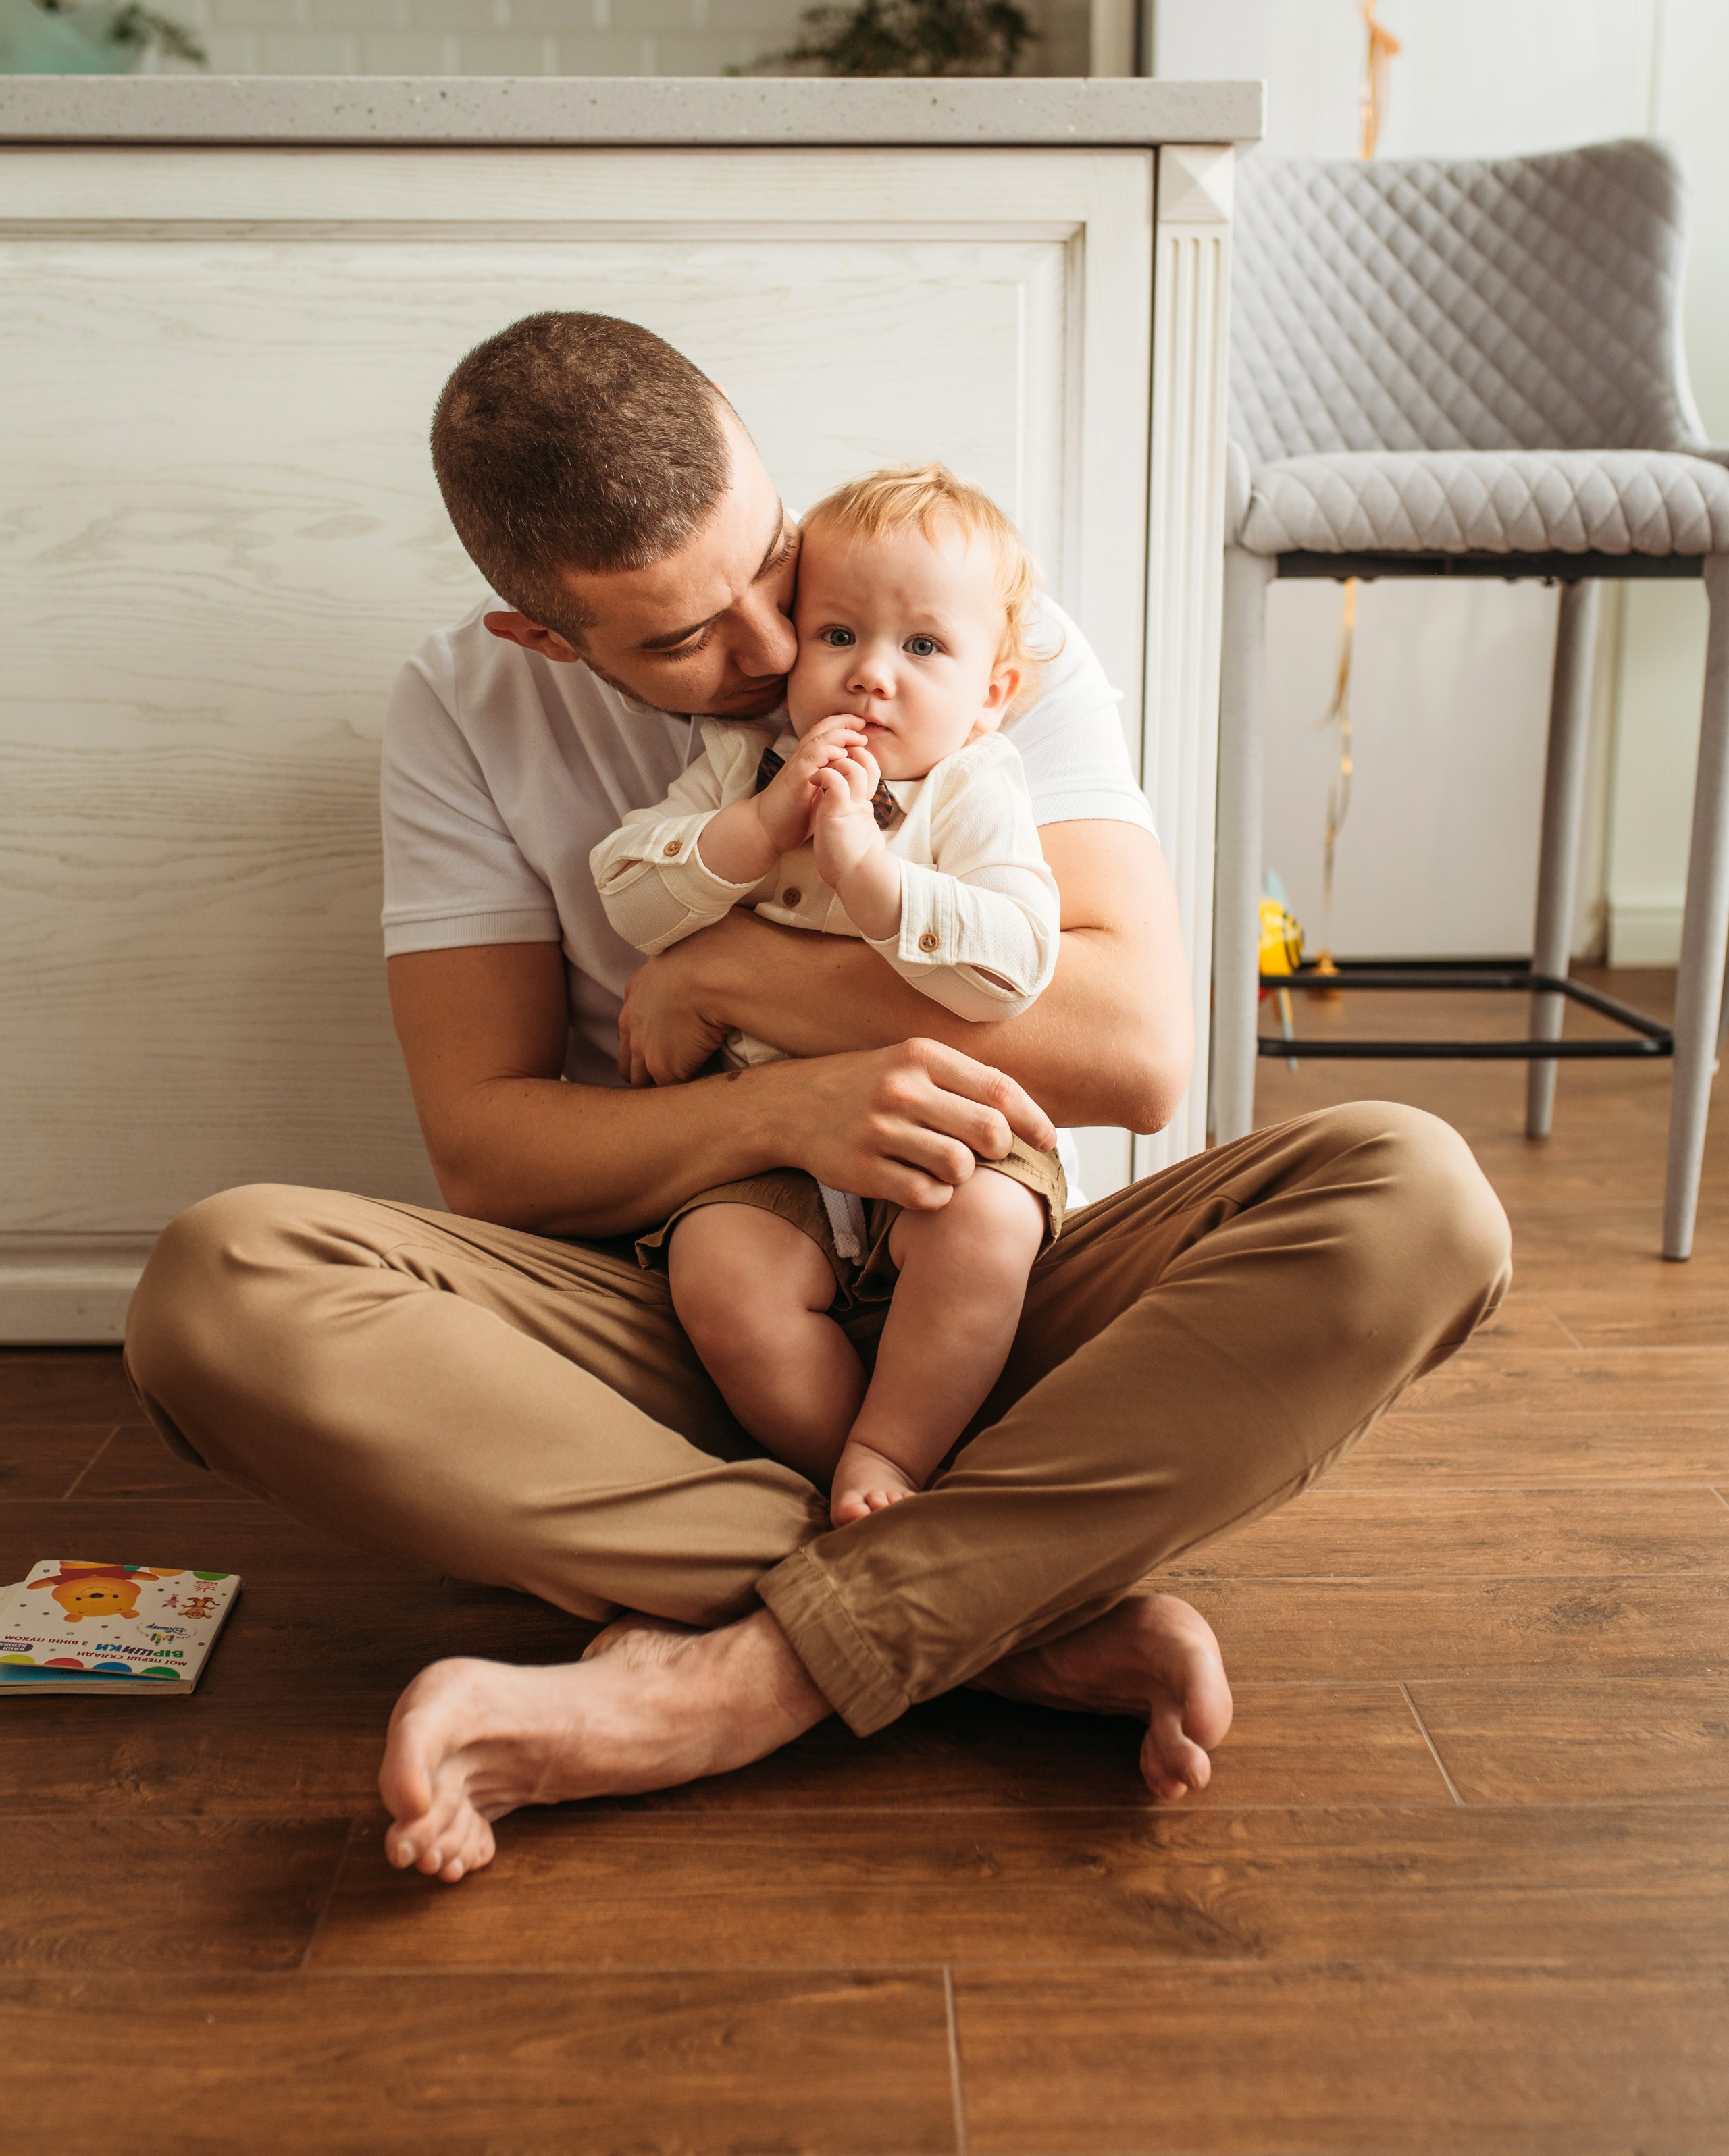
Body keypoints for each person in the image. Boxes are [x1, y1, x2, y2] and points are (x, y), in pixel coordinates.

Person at [122, 310, 1513, 1887]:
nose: (784, 655)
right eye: (680, 642)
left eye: (767, 563)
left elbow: (1131, 1047)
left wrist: (737, 986)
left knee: (1415, 1195)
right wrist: (774, 1116)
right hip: (687, 1304)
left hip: (983, 1284)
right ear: (543, 638)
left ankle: (729, 1678)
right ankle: (996, 1611)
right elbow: (490, 1150)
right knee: (217, 1287)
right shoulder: (462, 706)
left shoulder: (958, 628)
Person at [592, 461, 1066, 1525]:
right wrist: (754, 835)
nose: (871, 677)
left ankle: (895, 1454)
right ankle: (844, 1475)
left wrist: (871, 876)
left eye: (924, 648)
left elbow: (1017, 968)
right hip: (765, 1143)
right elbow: (627, 893)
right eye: (838, 635)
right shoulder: (739, 767)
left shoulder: (976, 790)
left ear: (992, 693)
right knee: (719, 1279)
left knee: (990, 1229)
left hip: (955, 1132)